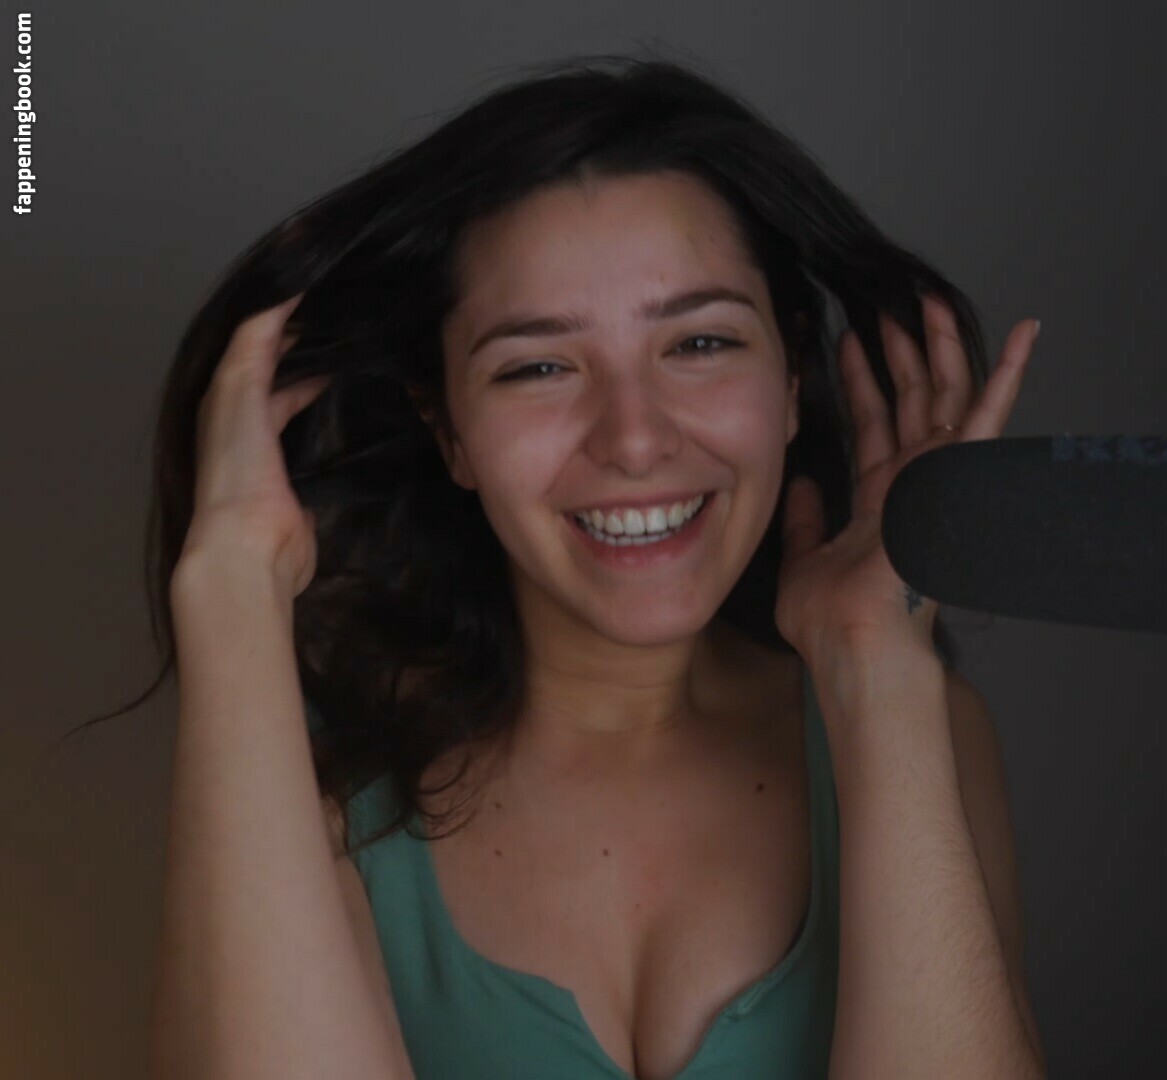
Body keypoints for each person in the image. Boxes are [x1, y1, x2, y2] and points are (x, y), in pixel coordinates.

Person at [103, 52, 1047, 1080]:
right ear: (450, 430)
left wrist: (877, 666)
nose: (634, 439)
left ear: (788, 383)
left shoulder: (921, 724)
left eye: (699, 344)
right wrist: (229, 590)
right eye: (539, 366)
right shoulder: (325, 793)